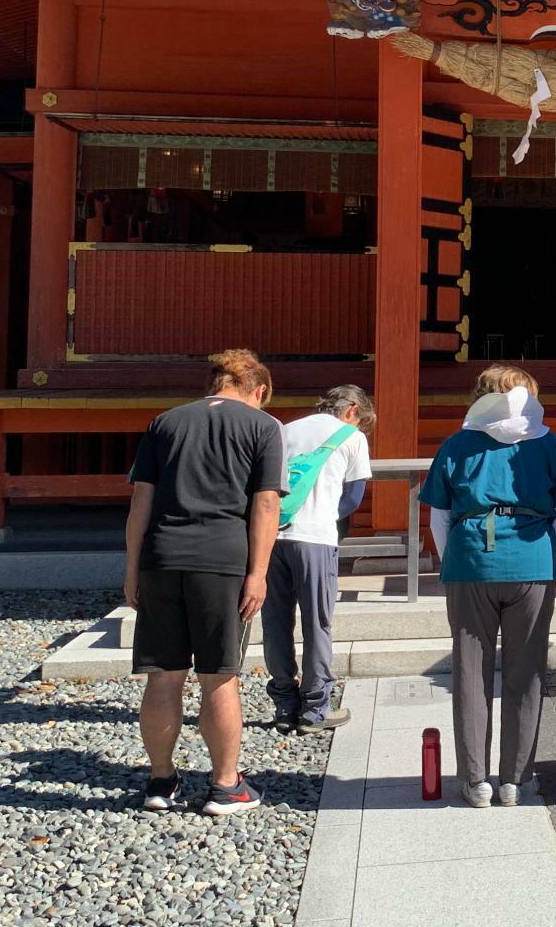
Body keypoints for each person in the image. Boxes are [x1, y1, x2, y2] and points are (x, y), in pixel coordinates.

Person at [124, 349, 284, 817]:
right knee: (219, 675)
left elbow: (140, 502)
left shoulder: (165, 423)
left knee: (163, 674)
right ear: (258, 390)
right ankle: (224, 785)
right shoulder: (262, 426)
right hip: (222, 559)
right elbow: (267, 504)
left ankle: (160, 781)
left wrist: (132, 569)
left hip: (160, 556)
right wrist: (258, 572)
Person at [423, 365, 556, 806]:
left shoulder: (458, 443)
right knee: (526, 671)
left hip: (471, 558)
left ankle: (475, 779)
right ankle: (515, 778)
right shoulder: (548, 442)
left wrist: (454, 559)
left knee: (470, 672)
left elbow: (440, 515)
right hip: (532, 558)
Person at [263, 384, 373, 736]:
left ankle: (283, 704)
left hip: (272, 536)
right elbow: (353, 498)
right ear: (353, 409)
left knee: (276, 622)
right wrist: (326, 517)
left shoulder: (286, 430)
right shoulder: (351, 437)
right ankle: (314, 709)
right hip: (315, 540)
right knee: (317, 623)